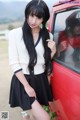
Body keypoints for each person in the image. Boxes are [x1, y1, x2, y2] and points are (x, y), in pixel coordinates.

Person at [8, 0, 56, 120]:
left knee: (35, 115)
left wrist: (53, 51)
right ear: (26, 14)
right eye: (31, 15)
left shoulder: (48, 36)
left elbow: (44, 62)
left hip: (40, 80)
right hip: (23, 80)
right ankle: (26, 113)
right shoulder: (15, 34)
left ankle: (26, 114)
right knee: (44, 117)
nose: (33, 21)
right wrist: (26, 86)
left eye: (38, 17)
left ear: (43, 19)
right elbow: (14, 62)